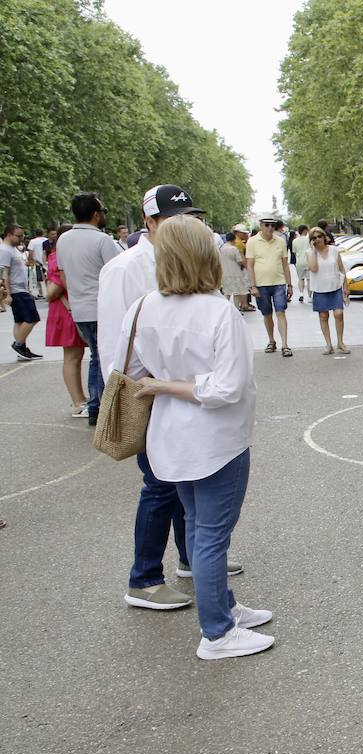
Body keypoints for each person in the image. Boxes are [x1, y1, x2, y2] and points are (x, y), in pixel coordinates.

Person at [118, 215, 272, 660]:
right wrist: (173, 384)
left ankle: (223, 609)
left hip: (169, 436)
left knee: (197, 524)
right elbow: (228, 388)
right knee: (210, 536)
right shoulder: (218, 312)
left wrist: (164, 382)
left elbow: (129, 371)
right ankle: (218, 632)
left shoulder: (143, 307)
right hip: (216, 440)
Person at [99, 183, 243, 611]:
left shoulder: (189, 283)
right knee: (160, 488)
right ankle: (144, 577)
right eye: (171, 218)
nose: (181, 225)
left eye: (187, 217)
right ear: (150, 222)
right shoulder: (127, 270)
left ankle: (192, 559)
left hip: (178, 400)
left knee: (188, 497)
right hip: (155, 399)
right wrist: (140, 392)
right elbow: (117, 347)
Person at [58, 192, 121, 423]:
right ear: (96, 214)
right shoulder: (102, 240)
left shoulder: (63, 240)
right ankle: (98, 407)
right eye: (103, 211)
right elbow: (117, 271)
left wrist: (75, 298)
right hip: (101, 307)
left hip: (80, 307)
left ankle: (96, 406)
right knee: (102, 357)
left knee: (95, 355)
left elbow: (63, 275)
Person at [43, 226, 89, 416]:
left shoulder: (60, 256)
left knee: (76, 356)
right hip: (66, 312)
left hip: (72, 308)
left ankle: (80, 399)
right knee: (72, 357)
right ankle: (77, 401)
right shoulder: (57, 258)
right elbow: (51, 292)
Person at [245, 216, 294, 356]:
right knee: (267, 314)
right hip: (261, 284)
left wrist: (290, 285)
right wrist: (252, 286)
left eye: (272, 225)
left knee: (281, 312)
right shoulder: (252, 241)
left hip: (279, 282)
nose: (270, 228)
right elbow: (250, 265)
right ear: (261, 226)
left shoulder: (280, 241)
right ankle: (271, 341)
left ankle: (285, 345)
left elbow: (285, 264)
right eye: (266, 225)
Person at [306, 226, 349, 354]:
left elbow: (341, 269)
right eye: (314, 238)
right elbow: (313, 269)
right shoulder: (309, 253)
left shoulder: (334, 250)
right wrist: (313, 251)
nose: (318, 239)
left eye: (320, 236)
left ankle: (340, 342)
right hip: (319, 288)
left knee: (338, 314)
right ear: (311, 240)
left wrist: (346, 286)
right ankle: (328, 344)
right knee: (323, 316)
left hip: (335, 286)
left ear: (324, 237)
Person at [3, 224, 43, 361]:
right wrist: (7, 293)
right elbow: (4, 273)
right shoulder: (4, 250)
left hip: (21, 288)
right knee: (32, 318)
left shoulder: (13, 249)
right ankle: (18, 344)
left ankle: (22, 348)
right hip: (16, 290)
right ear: (9, 234)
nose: (21, 239)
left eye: (22, 236)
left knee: (20, 320)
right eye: (18, 236)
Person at [219, 223, 251, 309]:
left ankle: (224, 309)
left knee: (227, 293)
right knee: (236, 293)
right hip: (236, 273)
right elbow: (240, 261)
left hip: (225, 273)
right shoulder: (234, 248)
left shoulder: (222, 248)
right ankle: (236, 309)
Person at [291, 224, 311, 303]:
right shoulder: (309, 240)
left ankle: (301, 294)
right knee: (309, 280)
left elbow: (294, 252)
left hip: (299, 262)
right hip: (309, 261)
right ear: (305, 230)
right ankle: (309, 297)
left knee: (301, 278)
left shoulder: (294, 241)